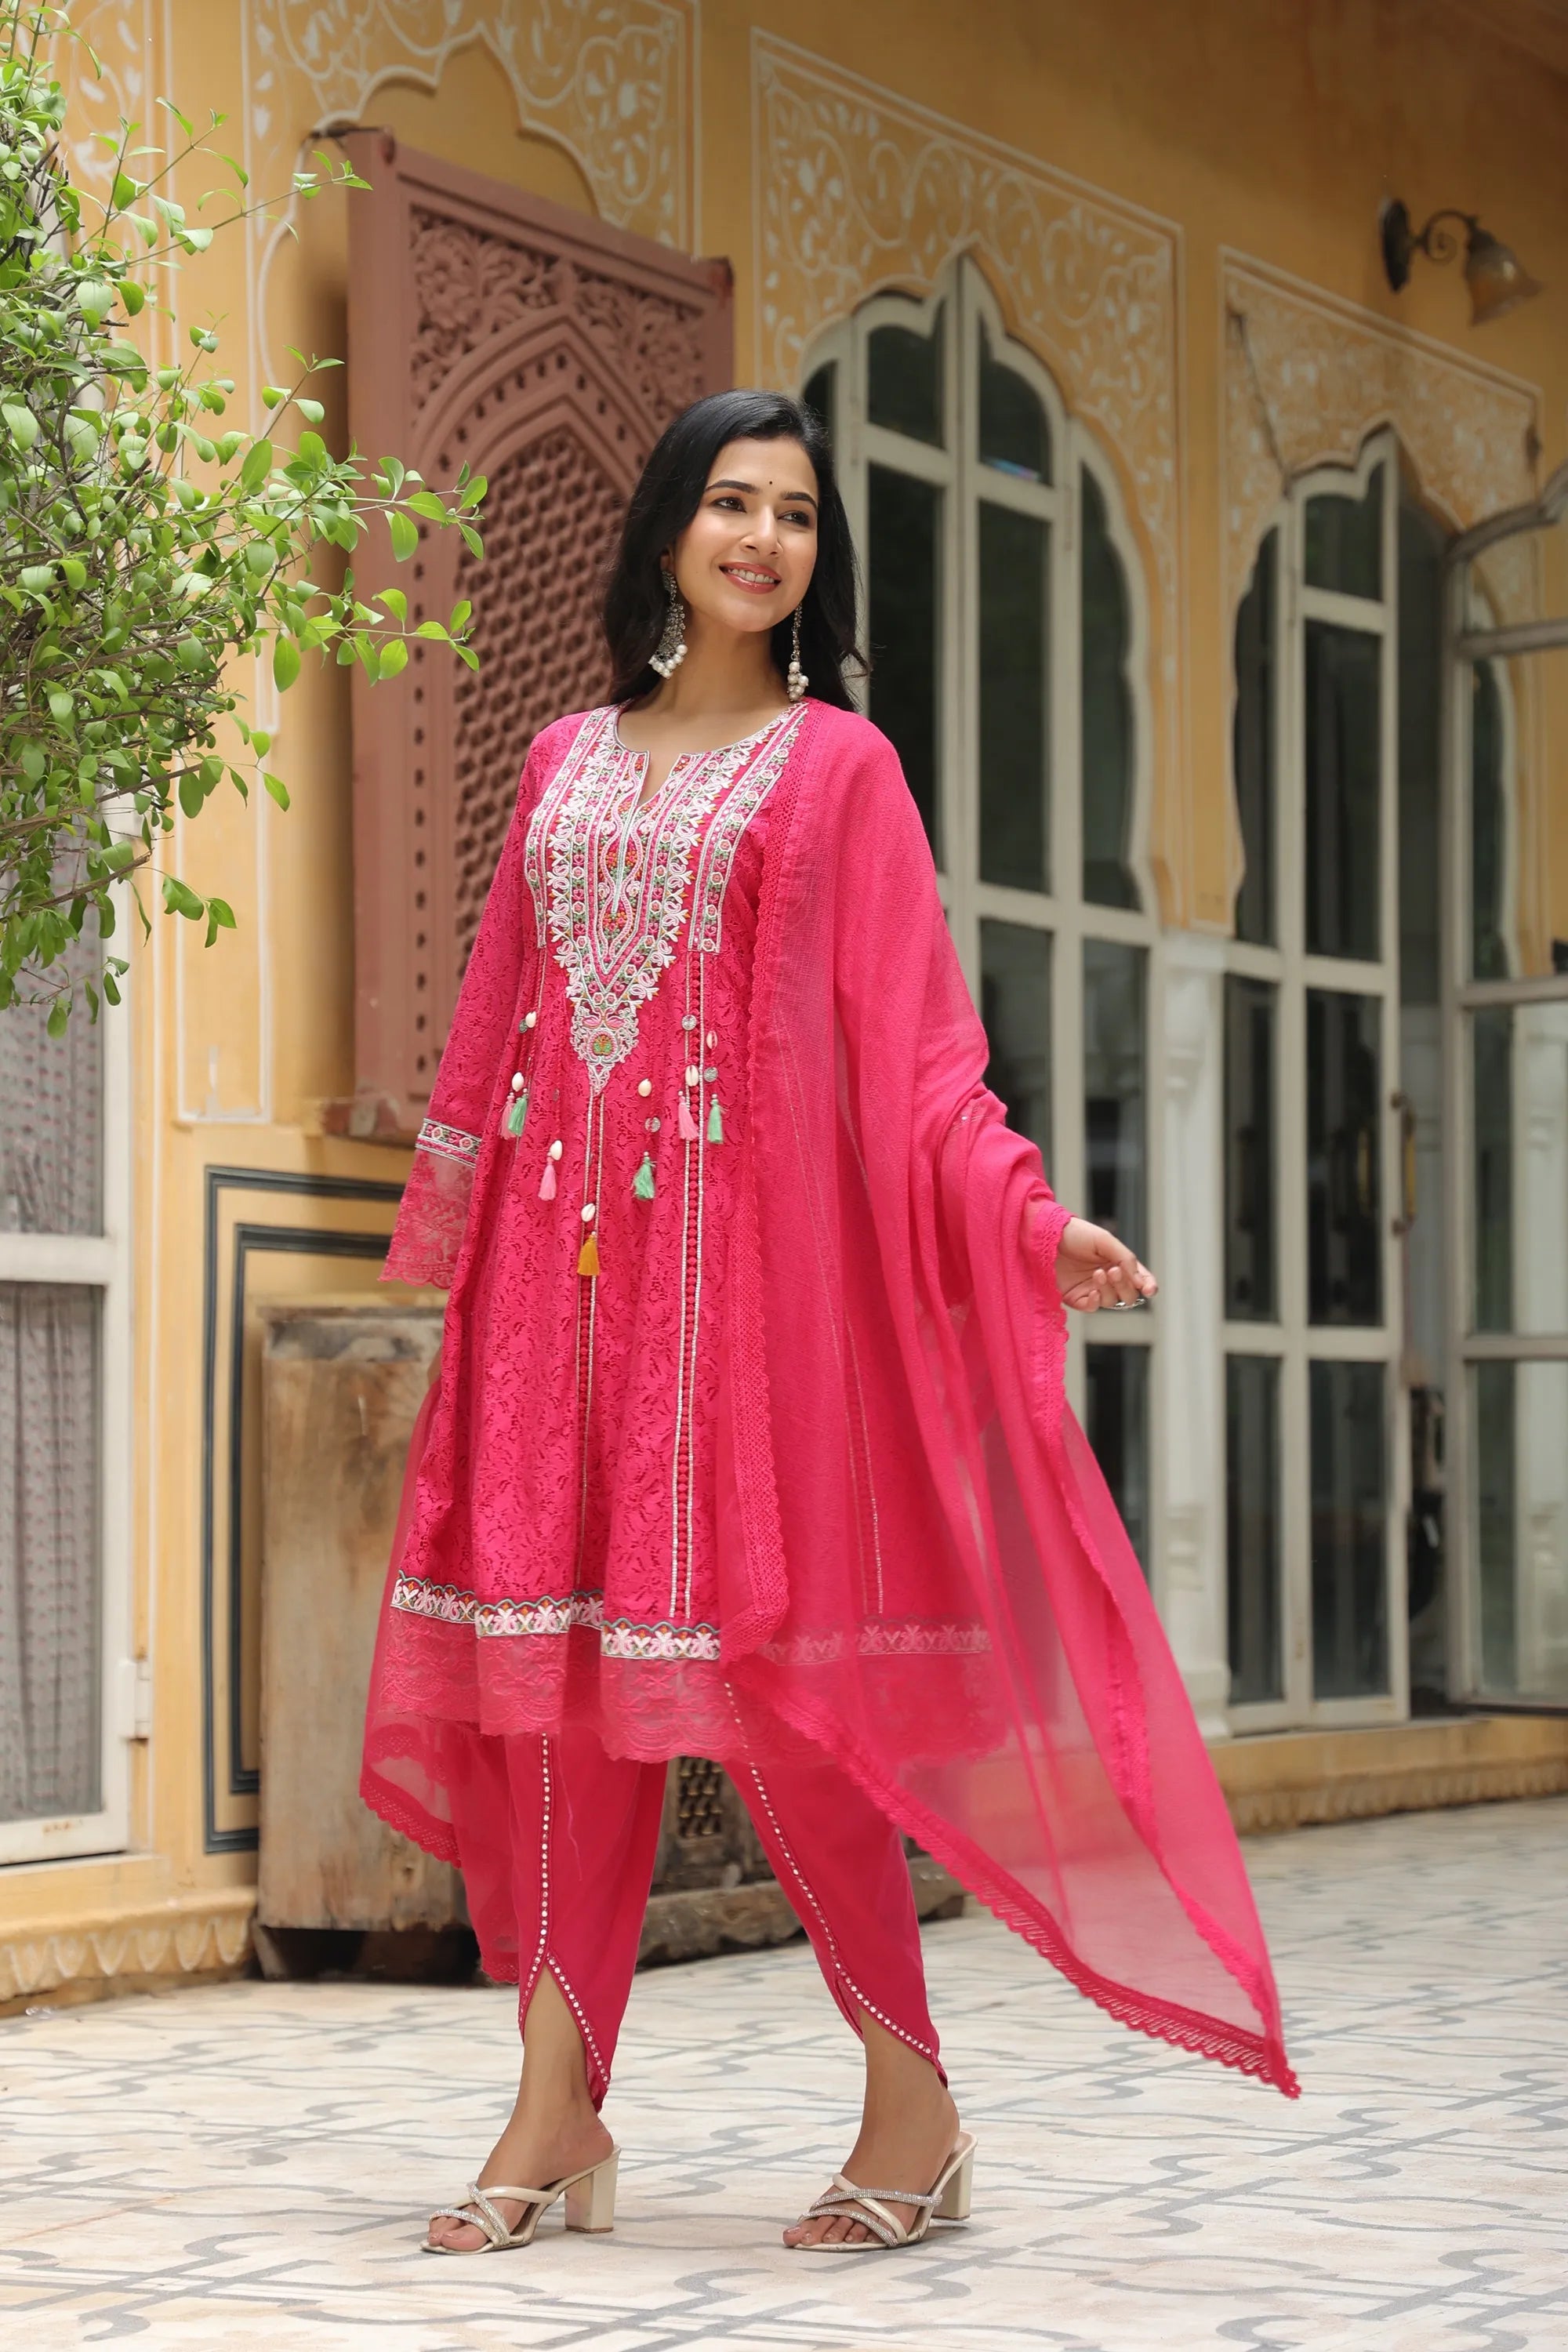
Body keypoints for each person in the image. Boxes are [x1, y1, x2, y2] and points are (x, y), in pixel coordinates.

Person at [361, 388, 1297, 2260]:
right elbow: (496, 1022)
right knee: (554, 1709)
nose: (761, 539)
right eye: (729, 502)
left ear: (813, 563)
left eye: (793, 515)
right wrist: (458, 1260)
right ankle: (554, 2110)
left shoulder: (836, 771)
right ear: (666, 532)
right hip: (554, 1309)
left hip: (738, 1327)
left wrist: (1023, 1225)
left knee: (783, 1703)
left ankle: (913, 2103)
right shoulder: (558, 763)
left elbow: (915, 1051)